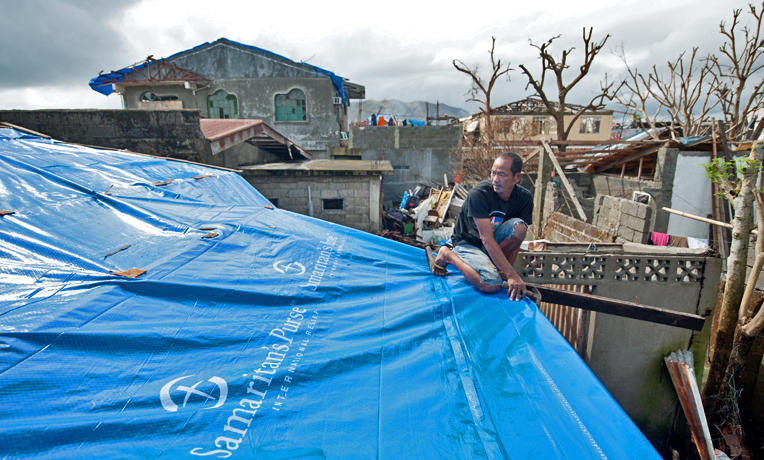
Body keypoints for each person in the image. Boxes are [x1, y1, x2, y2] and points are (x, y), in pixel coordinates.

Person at [428, 152, 532, 300]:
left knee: (520, 228)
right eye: (493, 173)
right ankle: (448, 255)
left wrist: (508, 273)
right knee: (491, 285)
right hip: (468, 243)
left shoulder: (524, 198)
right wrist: (511, 275)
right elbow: (487, 239)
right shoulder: (480, 194)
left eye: (501, 175)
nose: (495, 179)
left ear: (517, 177)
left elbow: (516, 241)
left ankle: (495, 267)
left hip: (491, 245)